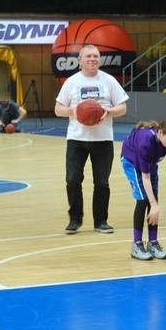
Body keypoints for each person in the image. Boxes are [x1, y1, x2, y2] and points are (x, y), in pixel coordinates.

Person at [55, 44, 129, 234]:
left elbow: (123, 107)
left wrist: (108, 112)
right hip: (76, 139)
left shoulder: (109, 80)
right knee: (72, 180)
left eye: (96, 56)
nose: (93, 59)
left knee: (102, 182)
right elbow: (58, 109)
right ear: (79, 61)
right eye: (88, 56)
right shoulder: (71, 82)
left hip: (103, 139)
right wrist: (72, 110)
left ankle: (101, 221)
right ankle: (75, 219)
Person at [120, 117, 166, 261]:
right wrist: (153, 204)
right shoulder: (146, 142)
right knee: (144, 200)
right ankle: (136, 245)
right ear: (160, 132)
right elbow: (145, 177)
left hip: (150, 164)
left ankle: (153, 243)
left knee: (153, 199)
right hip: (131, 162)